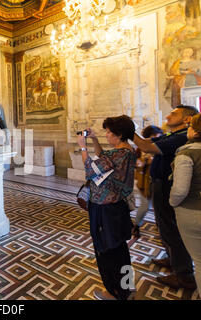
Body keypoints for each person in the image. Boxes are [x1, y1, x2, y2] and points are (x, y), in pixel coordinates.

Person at [130, 105, 199, 290]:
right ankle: (173, 260)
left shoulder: (182, 136)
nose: (168, 116)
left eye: (174, 114)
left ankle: (183, 275)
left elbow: (146, 146)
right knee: (164, 226)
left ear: (187, 119)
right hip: (160, 185)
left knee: (171, 230)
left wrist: (129, 130)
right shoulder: (171, 135)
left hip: (168, 187)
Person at [77, 115, 137, 300]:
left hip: (104, 209)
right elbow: (104, 158)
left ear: (118, 135)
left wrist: (83, 146)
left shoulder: (117, 155)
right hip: (118, 207)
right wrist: (94, 139)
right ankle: (127, 288)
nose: (107, 135)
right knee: (120, 250)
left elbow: (89, 169)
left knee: (105, 251)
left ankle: (113, 292)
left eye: (109, 133)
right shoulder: (128, 151)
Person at [170, 113, 201, 298]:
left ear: (196, 131)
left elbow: (180, 190)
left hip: (193, 212)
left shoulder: (187, 153)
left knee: (200, 261)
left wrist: (172, 203)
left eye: (190, 126)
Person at [132, 125, 164, 238]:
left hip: (158, 182)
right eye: (155, 135)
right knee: (145, 206)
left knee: (159, 206)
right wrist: (143, 161)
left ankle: (160, 227)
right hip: (144, 182)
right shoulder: (140, 149)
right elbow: (136, 164)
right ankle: (136, 225)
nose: (158, 137)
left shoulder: (161, 147)